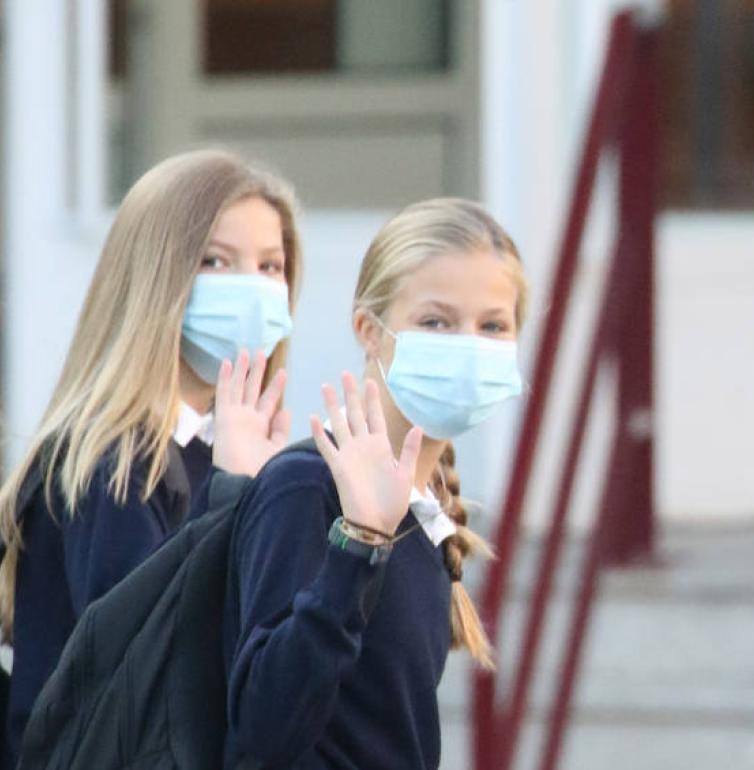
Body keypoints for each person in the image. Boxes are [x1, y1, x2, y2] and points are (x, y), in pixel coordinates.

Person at [0, 149, 303, 764]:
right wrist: (235, 493)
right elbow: (153, 662)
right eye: (215, 261)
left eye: (270, 265)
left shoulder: (216, 447)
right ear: (155, 277)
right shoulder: (112, 461)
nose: (252, 287)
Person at [215, 198, 527, 769]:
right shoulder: (307, 489)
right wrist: (357, 544)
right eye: (435, 321)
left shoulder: (426, 510)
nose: (466, 345)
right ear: (370, 330)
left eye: (492, 326)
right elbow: (264, 728)